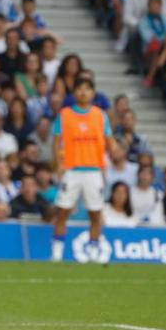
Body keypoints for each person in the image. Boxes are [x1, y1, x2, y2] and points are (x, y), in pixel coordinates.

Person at [50, 78, 118, 263]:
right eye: (79, 89)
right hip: (71, 170)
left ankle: (94, 252)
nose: (83, 93)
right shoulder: (64, 115)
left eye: (87, 89)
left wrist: (115, 152)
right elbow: (56, 142)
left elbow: (109, 140)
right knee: (62, 211)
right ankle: (56, 254)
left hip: (93, 171)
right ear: (74, 93)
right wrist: (58, 164)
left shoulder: (100, 115)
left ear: (93, 93)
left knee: (95, 213)